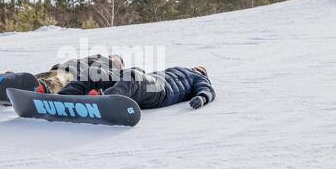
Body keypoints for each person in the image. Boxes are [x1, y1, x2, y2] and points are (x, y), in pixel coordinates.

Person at [56, 66, 216, 110]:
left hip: (161, 91)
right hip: (147, 80)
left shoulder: (199, 78)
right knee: (93, 72)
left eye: (199, 68)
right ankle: (58, 98)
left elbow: (207, 90)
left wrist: (202, 98)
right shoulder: (178, 67)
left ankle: (104, 101)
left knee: (133, 76)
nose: (196, 67)